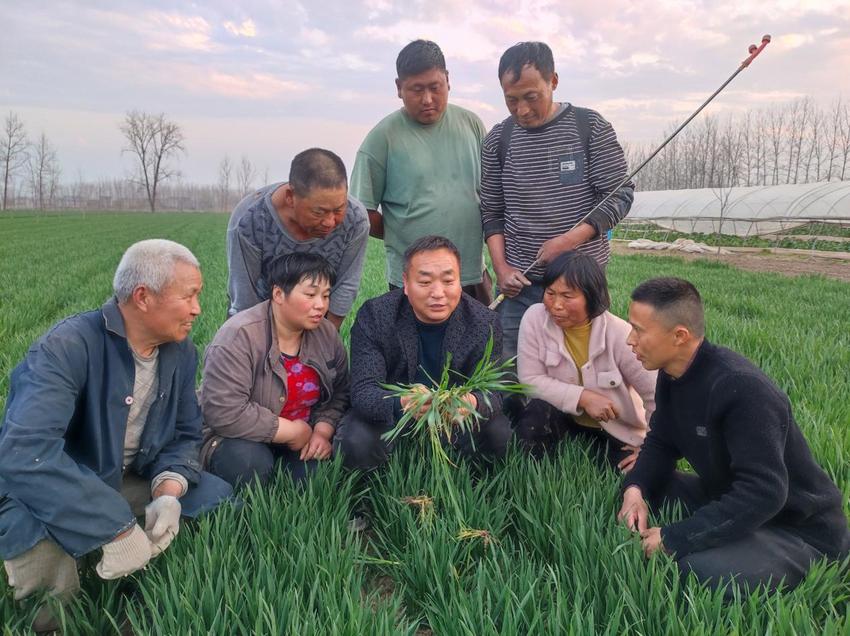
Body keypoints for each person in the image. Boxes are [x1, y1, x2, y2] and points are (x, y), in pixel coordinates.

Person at [0, 240, 232, 630]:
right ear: (143, 297)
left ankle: (148, 588)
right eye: (189, 296)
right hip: (54, 484)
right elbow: (25, 453)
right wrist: (115, 526)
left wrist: (169, 490)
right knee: (36, 542)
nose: (197, 309)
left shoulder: (180, 352)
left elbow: (185, 432)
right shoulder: (67, 347)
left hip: (123, 478)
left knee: (214, 497)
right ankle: (58, 618)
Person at [617, 277, 850, 597]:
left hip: (797, 529)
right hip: (730, 494)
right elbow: (661, 439)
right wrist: (635, 489)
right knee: (649, 484)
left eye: (638, 330)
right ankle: (727, 535)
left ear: (679, 335)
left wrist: (675, 537)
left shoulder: (741, 389)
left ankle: (752, 550)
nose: (630, 340)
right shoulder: (672, 374)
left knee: (694, 570)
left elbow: (765, 492)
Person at [480, 41, 634, 359]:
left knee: (584, 375)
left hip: (580, 290)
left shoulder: (589, 127)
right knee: (512, 380)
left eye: (531, 97)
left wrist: (567, 241)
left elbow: (619, 195)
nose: (522, 110)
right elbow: (492, 212)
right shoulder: (498, 140)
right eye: (511, 100)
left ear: (553, 81)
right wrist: (501, 268)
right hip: (519, 290)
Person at [334, 235, 512, 471]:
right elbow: (364, 391)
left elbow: (495, 392)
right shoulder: (376, 316)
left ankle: (470, 489)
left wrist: (472, 402)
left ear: (460, 282)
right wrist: (403, 403)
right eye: (425, 282)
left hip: (454, 416)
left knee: (498, 433)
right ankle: (370, 495)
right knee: (356, 440)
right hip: (394, 414)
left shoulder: (483, 322)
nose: (438, 292)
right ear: (406, 283)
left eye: (449, 281)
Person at [351, 40, 492, 304]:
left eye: (434, 87)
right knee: (413, 346)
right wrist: (400, 232)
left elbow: (492, 193)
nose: (427, 99)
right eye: (416, 90)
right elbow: (361, 212)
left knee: (482, 345)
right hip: (415, 281)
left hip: (470, 274)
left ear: (448, 80)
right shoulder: (382, 139)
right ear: (398, 88)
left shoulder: (472, 125)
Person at [200, 253, 350, 488]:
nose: (320, 305)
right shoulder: (240, 335)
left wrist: (322, 431)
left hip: (303, 436)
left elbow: (340, 390)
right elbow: (223, 410)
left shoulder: (326, 334)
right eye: (310, 295)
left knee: (315, 480)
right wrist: (289, 431)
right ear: (278, 294)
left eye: (326, 295)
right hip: (240, 437)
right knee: (249, 462)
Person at [516, 251, 656, 469]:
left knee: (629, 474)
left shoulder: (619, 334)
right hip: (564, 420)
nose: (556, 305)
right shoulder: (535, 318)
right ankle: (533, 473)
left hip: (616, 429)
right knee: (533, 416)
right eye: (550, 293)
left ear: (592, 297)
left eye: (567, 296)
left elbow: (655, 394)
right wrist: (583, 397)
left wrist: (651, 448)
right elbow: (529, 380)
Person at [226, 147, 370, 328]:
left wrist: (325, 339)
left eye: (339, 209)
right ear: (290, 198)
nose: (330, 222)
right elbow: (245, 298)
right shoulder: (251, 220)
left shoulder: (355, 219)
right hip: (259, 316)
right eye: (319, 212)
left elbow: (347, 284)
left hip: (317, 317)